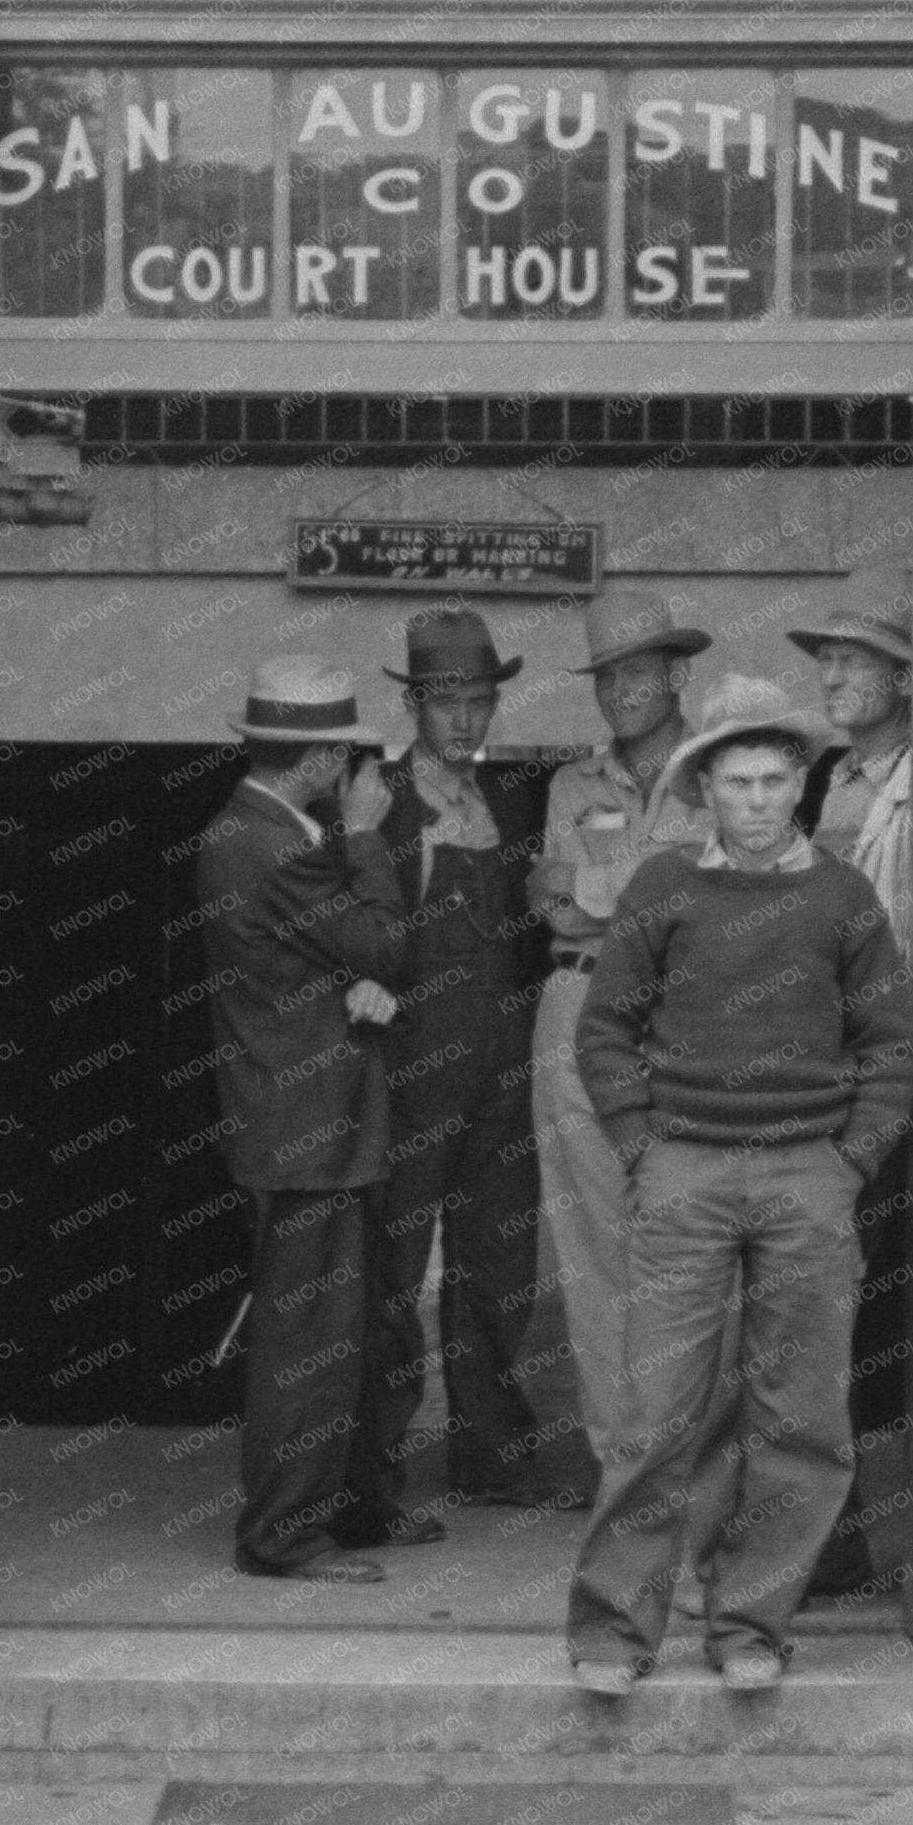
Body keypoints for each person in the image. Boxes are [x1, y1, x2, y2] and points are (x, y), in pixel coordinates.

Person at [566, 674, 913, 1697]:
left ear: (799, 781)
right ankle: (611, 1632)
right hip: (684, 1169)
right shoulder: (663, 888)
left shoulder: (843, 897)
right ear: (702, 787)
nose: (757, 800)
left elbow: (888, 1041)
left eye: (773, 780)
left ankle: (751, 1623)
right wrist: (640, 1143)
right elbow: (605, 1030)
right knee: (654, 1412)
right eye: (736, 782)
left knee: (800, 1415)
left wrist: (851, 1155)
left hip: (809, 1175)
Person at [190, 656, 425, 1582]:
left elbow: (334, 960)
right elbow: (381, 941)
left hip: (319, 1124)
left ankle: (348, 1509)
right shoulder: (270, 842)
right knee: (306, 1342)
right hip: (305, 1133)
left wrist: (358, 978)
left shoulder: (264, 831)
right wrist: (366, 840)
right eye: (347, 753)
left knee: (343, 1330)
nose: (357, 773)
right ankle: (282, 1536)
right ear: (321, 757)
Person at [363, 608, 592, 1516]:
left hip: (506, 1055)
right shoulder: (375, 798)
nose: (463, 720)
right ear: (414, 704)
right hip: (413, 1065)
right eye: (445, 702)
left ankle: (492, 1457)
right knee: (389, 1268)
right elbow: (345, 930)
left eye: (479, 701)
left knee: (498, 1269)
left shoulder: (515, 798)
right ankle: (372, 1470)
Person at [526, 590, 721, 1466]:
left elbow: (711, 911)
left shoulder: (723, 773)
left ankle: (696, 1469)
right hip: (577, 1008)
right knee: (592, 1252)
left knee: (690, 1241)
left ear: (676, 674)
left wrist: (604, 886)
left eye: (635, 673)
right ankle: (625, 1472)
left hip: (686, 1018)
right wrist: (643, 885)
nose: (617, 692)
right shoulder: (575, 780)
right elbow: (555, 908)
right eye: (605, 677)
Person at [786, 569, 913, 1604]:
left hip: (881, 1078)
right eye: (823, 658)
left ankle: (853, 1541)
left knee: (862, 1312)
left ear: (901, 676)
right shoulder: (830, 776)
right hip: (812, 1072)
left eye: (850, 658)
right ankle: (818, 1536)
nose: (829, 674)